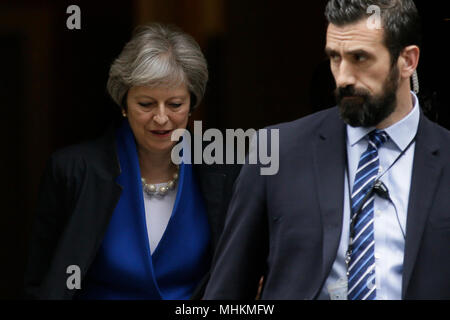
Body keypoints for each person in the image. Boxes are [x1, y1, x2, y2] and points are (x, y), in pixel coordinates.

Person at [203, 0, 450, 300]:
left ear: (407, 61)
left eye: (360, 58)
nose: (343, 77)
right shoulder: (277, 152)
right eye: (335, 57)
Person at [24, 23, 241, 300]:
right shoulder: (72, 171)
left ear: (192, 104)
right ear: (124, 104)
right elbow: (42, 281)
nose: (161, 118)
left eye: (175, 104)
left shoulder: (225, 173)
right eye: (146, 104)